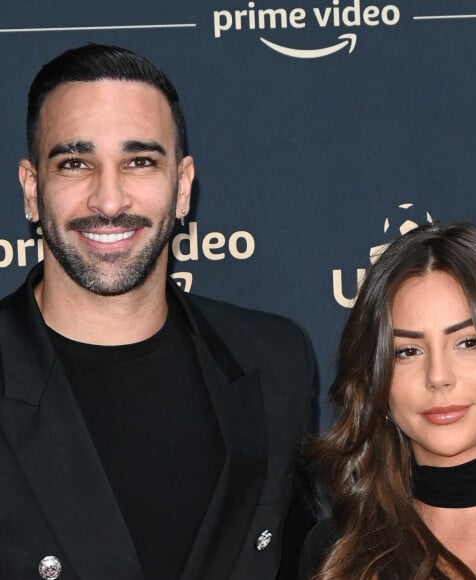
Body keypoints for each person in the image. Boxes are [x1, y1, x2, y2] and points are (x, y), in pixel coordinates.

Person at [0, 44, 316, 580]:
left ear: (183, 186)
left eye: (139, 161)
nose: (108, 199)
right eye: (75, 163)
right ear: (32, 189)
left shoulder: (274, 361)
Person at [299, 222, 476, 579]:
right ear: (375, 380)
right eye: (407, 351)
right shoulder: (336, 550)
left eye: (468, 343)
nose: (438, 377)